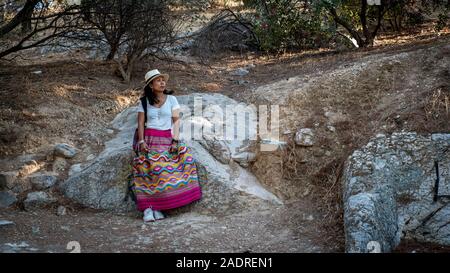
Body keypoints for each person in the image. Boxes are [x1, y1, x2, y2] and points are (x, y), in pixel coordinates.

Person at [129, 69, 202, 222]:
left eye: (163, 80)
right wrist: (141, 141)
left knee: (186, 161)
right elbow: (141, 123)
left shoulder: (172, 100)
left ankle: (158, 207)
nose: (162, 82)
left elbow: (176, 121)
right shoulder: (144, 102)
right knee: (150, 168)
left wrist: (175, 141)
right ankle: (148, 209)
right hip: (149, 140)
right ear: (150, 85)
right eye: (158, 80)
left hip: (167, 139)